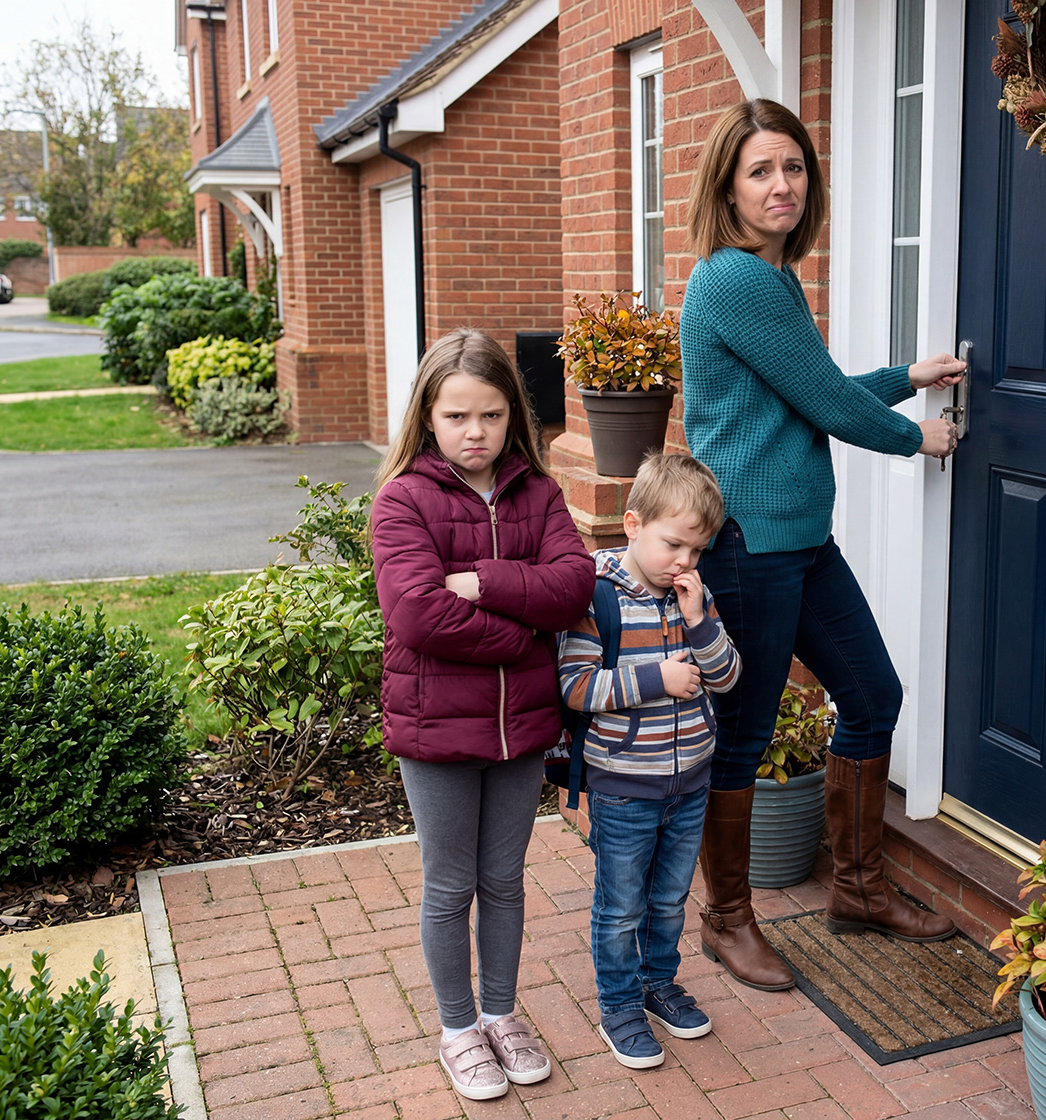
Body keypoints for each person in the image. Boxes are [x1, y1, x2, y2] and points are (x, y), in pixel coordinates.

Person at [679, 98, 965, 992]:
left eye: (794, 167)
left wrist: (903, 377)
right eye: (761, 169)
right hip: (749, 544)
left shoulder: (769, 281)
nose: (782, 185)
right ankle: (725, 918)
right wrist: (918, 433)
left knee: (872, 694)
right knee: (744, 733)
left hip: (799, 541)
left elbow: (810, 386)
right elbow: (830, 407)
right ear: (727, 183)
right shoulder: (735, 280)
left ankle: (857, 888)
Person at [371, 328, 595, 1101]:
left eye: (492, 416)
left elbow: (573, 587)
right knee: (450, 885)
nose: (476, 433)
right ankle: (459, 1029)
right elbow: (419, 617)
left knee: (504, 880)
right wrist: (528, 636)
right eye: (458, 416)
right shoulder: (403, 499)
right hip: (435, 731)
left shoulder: (539, 492)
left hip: (522, 730)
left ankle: (501, 1014)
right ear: (427, 417)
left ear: (514, 417)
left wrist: (487, 581)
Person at [558, 453, 742, 1069]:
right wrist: (656, 678)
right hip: (623, 786)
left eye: (697, 550)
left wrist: (697, 620)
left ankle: (658, 983)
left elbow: (726, 676)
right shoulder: (597, 596)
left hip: (690, 781)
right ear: (633, 525)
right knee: (621, 904)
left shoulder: (693, 595)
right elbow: (578, 687)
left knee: (669, 899)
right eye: (673, 545)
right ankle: (618, 1004)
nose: (684, 563)